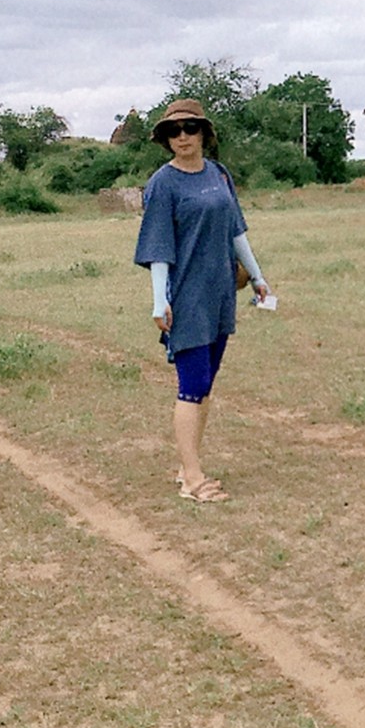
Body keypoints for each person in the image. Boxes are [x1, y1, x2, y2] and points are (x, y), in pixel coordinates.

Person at [132, 98, 272, 504]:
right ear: (165, 139)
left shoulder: (219, 175)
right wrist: (160, 302)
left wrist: (258, 276)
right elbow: (158, 247)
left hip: (221, 292)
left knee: (205, 386)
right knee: (190, 387)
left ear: (204, 133)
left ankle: (187, 465)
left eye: (190, 128)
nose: (183, 137)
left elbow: (235, 232)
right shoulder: (164, 184)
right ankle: (192, 480)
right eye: (174, 131)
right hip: (188, 296)